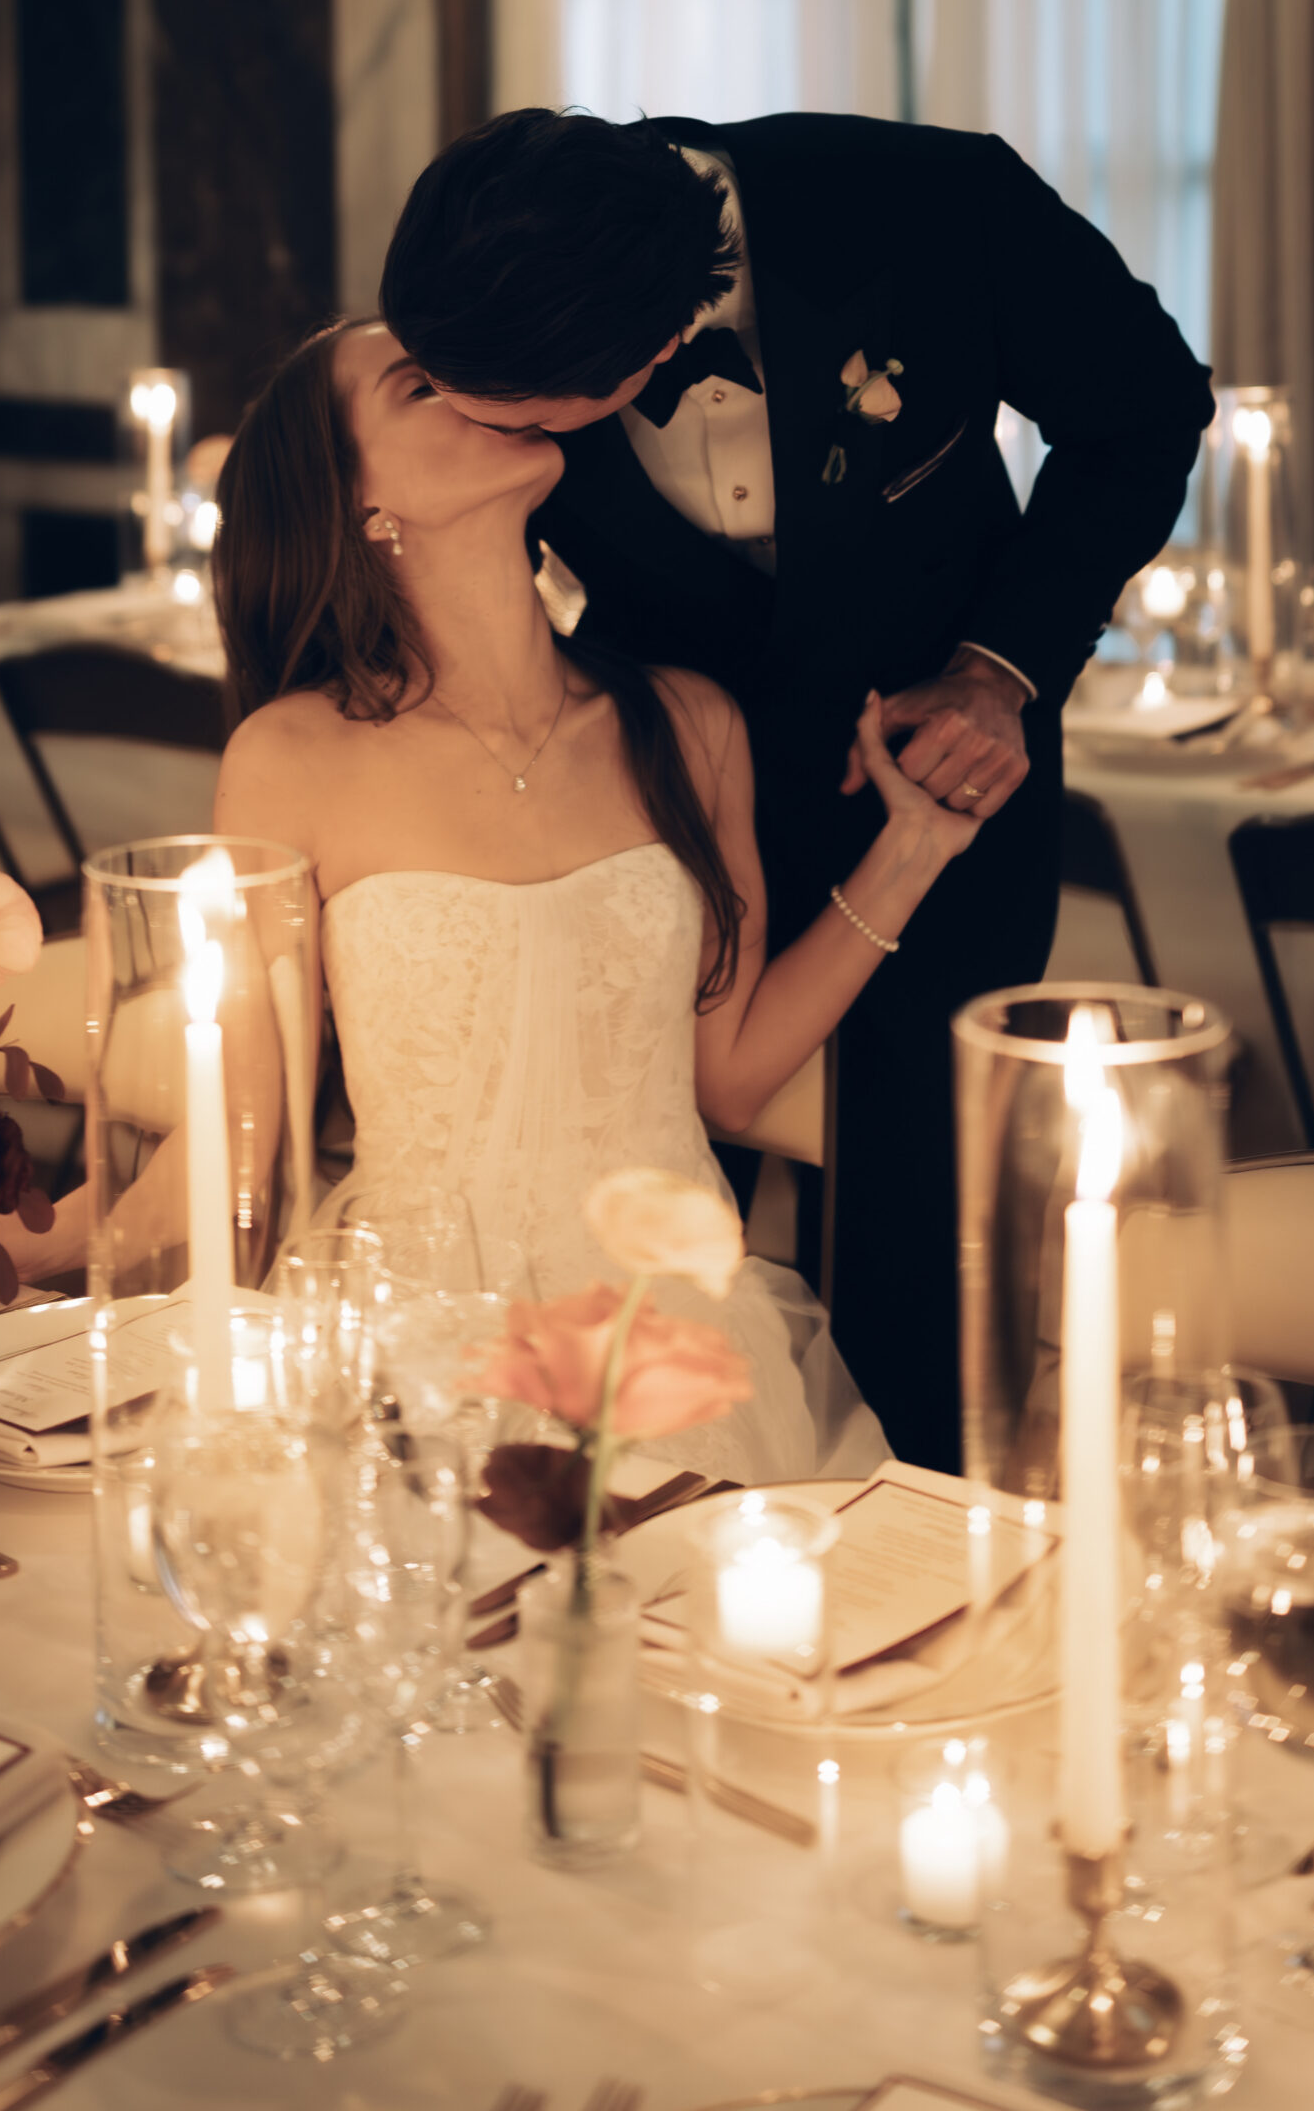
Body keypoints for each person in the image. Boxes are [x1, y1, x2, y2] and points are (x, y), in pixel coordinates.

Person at [378, 109, 1215, 1470]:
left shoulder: (939, 201)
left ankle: (923, 1599)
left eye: (521, 419)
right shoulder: (497, 308)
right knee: (656, 1263)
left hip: (936, 810)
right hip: (653, 825)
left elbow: (1147, 408)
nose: (491, 433)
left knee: (919, 1254)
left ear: (652, 345)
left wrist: (999, 669)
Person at [208, 317, 982, 1483]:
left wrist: (912, 850)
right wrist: (26, 1232)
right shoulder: (290, 758)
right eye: (423, 384)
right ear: (363, 502)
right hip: (413, 1338)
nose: (484, 382)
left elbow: (722, 1076)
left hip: (670, 1333)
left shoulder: (685, 722)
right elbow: (236, 1137)